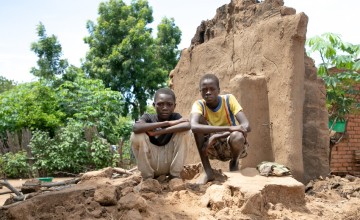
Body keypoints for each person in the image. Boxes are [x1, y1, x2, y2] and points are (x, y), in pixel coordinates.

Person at [190, 73, 251, 184]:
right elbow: (193, 126)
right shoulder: (199, 105)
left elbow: (246, 125)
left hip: (230, 145)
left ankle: (234, 162)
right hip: (210, 147)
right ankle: (208, 171)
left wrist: (218, 135)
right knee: (198, 124)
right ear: (200, 92)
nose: (208, 92)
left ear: (218, 90)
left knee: (237, 135)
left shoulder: (229, 100)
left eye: (212, 89)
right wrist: (227, 129)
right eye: (204, 90)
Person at [131, 88, 191, 180]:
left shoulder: (176, 116)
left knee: (185, 132)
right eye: (160, 104)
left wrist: (158, 132)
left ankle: (174, 176)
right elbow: (136, 128)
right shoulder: (148, 117)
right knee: (136, 135)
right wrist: (167, 123)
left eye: (169, 104)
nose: (165, 108)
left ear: (174, 106)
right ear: (154, 105)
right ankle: (148, 178)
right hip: (152, 164)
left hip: (169, 163)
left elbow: (187, 125)